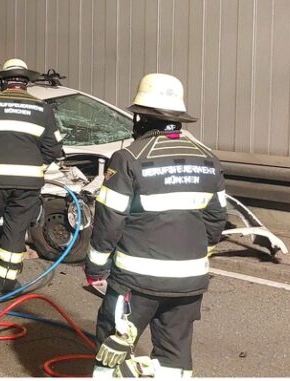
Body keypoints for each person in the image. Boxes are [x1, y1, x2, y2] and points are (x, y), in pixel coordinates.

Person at [85, 73, 227, 377]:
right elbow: (216, 220)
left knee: (112, 350)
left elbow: (109, 221)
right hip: (190, 281)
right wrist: (197, 257)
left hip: (136, 282)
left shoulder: (128, 159)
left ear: (142, 117)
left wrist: (96, 268)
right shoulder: (208, 159)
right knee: (174, 357)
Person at [0, 58, 64, 297]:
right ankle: (5, 285)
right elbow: (54, 148)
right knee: (15, 232)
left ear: (3, 81)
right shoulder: (43, 109)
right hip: (27, 185)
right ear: (26, 83)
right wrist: (38, 168)